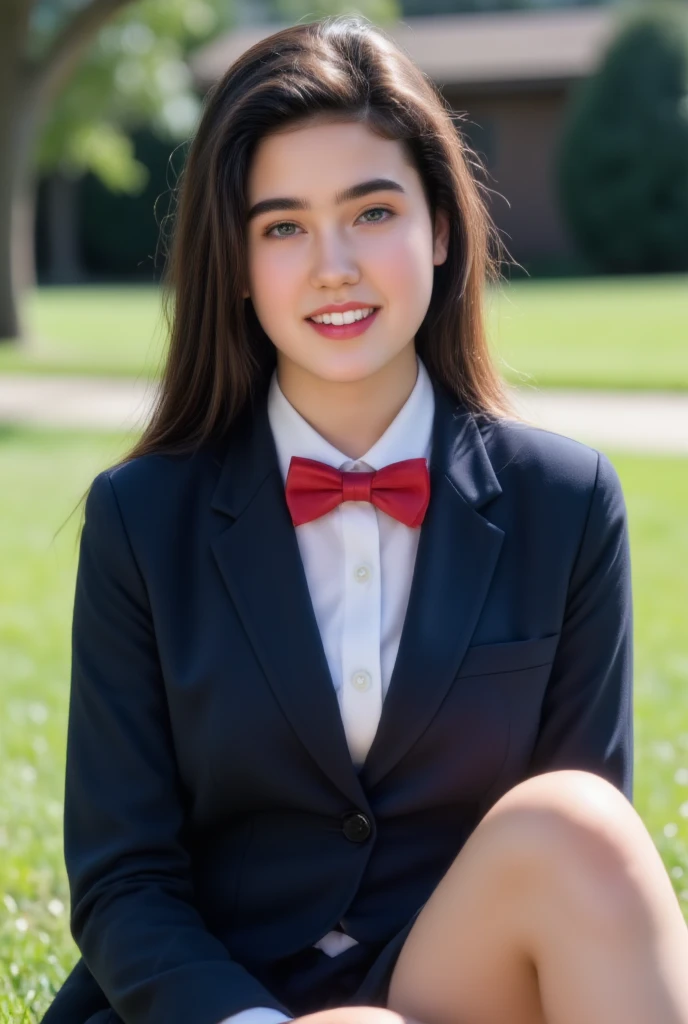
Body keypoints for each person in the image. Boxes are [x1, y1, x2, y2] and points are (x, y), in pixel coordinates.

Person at [41, 14, 688, 1024]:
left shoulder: (565, 503)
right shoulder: (142, 519)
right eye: (284, 226)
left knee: (580, 826)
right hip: (218, 1006)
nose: (332, 263)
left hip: (449, 990)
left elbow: (568, 870)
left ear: (439, 226)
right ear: (241, 263)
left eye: (371, 212)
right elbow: (125, 883)